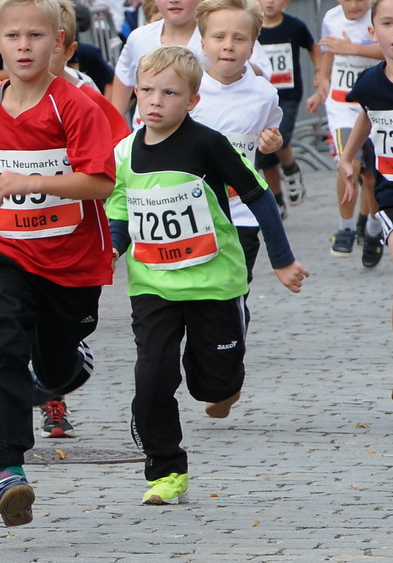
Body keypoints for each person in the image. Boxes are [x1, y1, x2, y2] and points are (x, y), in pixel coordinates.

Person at [0, 0, 116, 525]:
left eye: (36, 35)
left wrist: (34, 180)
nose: (24, 45)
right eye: (13, 35)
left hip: (72, 259)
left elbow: (100, 184)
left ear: (59, 43)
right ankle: (8, 466)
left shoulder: (77, 106)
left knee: (58, 361)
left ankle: (67, 365)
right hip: (4, 245)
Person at [109, 45, 306, 507]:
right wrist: (114, 249)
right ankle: (166, 469)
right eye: (147, 90)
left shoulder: (206, 143)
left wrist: (282, 260)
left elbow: (258, 197)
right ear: (135, 92)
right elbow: (119, 209)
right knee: (152, 381)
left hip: (215, 283)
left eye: (170, 93)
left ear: (193, 101)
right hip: (153, 283)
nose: (156, 101)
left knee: (213, 388)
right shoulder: (124, 150)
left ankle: (222, 382)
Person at [190, 0, 286, 276]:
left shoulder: (264, 93)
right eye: (219, 37)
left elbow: (270, 132)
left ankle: (235, 319)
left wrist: (273, 142)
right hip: (194, 212)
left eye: (239, 38)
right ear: (203, 44)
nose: (228, 46)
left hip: (241, 212)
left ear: (253, 46)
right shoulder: (188, 88)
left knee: (233, 292)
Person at [331, 0, 393, 278]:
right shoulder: (369, 82)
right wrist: (346, 158)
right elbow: (367, 115)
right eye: (387, 23)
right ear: (372, 32)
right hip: (391, 192)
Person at [254, 0, 316, 211]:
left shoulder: (294, 26)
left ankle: (290, 168)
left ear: (286, 0)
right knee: (265, 152)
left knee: (281, 137)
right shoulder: (253, 28)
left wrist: (320, 75)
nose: (270, 0)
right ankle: (277, 199)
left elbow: (313, 47)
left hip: (288, 95)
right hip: (261, 97)